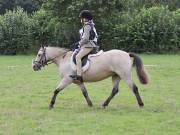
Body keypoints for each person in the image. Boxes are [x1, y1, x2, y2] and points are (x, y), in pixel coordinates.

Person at [70, 10, 98, 82]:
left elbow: (85, 39)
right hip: (87, 44)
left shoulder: (87, 26)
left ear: (85, 18)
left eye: (81, 18)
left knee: (78, 57)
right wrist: (78, 43)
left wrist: (79, 44)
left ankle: (79, 75)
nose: (81, 19)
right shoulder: (89, 25)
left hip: (89, 45)